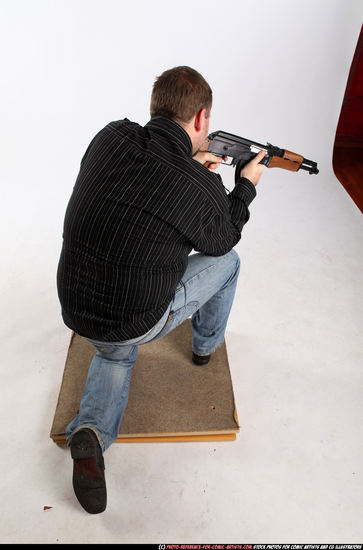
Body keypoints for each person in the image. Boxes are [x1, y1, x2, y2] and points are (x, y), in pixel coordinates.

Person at [56, 66, 266, 514]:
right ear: (201, 118)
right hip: (136, 318)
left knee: (114, 347)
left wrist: (192, 170)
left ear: (156, 106)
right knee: (228, 265)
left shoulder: (111, 135)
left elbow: (143, 184)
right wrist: (244, 185)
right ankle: (205, 348)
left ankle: (90, 434)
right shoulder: (196, 185)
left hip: (75, 306)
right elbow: (222, 238)